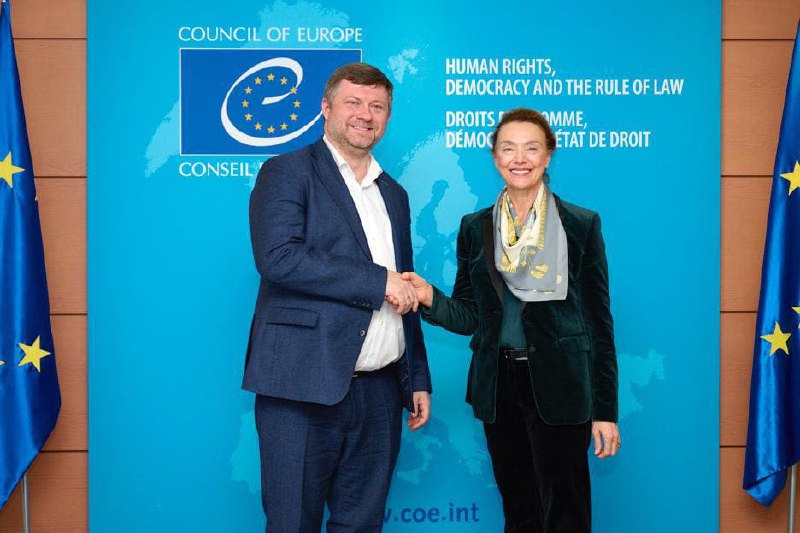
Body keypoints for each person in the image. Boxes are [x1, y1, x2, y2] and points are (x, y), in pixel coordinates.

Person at [403, 108, 619, 532]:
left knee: (566, 515)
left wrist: (605, 411)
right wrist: (429, 297)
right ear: (495, 157)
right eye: (508, 148)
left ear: (548, 156)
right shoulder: (475, 227)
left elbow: (598, 323)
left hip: (562, 386)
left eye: (531, 148)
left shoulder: (580, 225)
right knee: (519, 512)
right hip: (499, 387)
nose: (520, 159)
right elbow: (470, 315)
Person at [243, 62, 432, 532]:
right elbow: (278, 257)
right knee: (293, 524)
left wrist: (416, 377)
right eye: (353, 103)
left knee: (362, 525)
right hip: (301, 387)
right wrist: (378, 281)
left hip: (380, 393)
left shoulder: (394, 194)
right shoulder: (287, 171)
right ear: (326, 108)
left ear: (387, 117)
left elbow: (404, 285)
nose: (365, 115)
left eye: (377, 106)